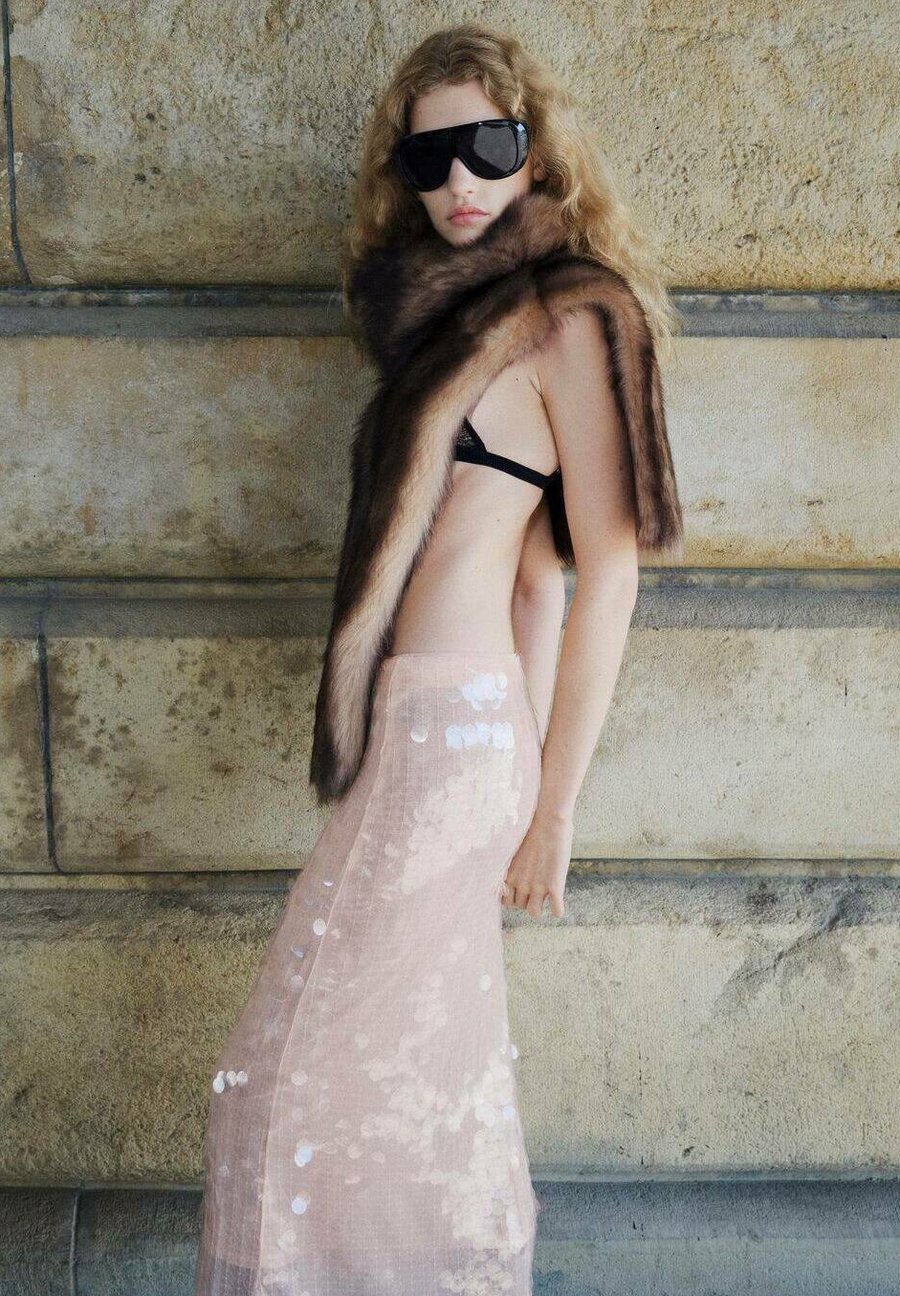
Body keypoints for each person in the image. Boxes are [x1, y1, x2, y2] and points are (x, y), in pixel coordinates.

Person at [194, 22, 683, 1296]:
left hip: (453, 741)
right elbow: (528, 580)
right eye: (430, 159)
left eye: (488, 148)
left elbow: (605, 570)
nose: (460, 180)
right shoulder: (446, 330)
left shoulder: (571, 317)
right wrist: (512, 772)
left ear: (538, 153)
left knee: (281, 1080)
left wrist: (551, 806)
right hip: (428, 736)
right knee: (411, 1070)